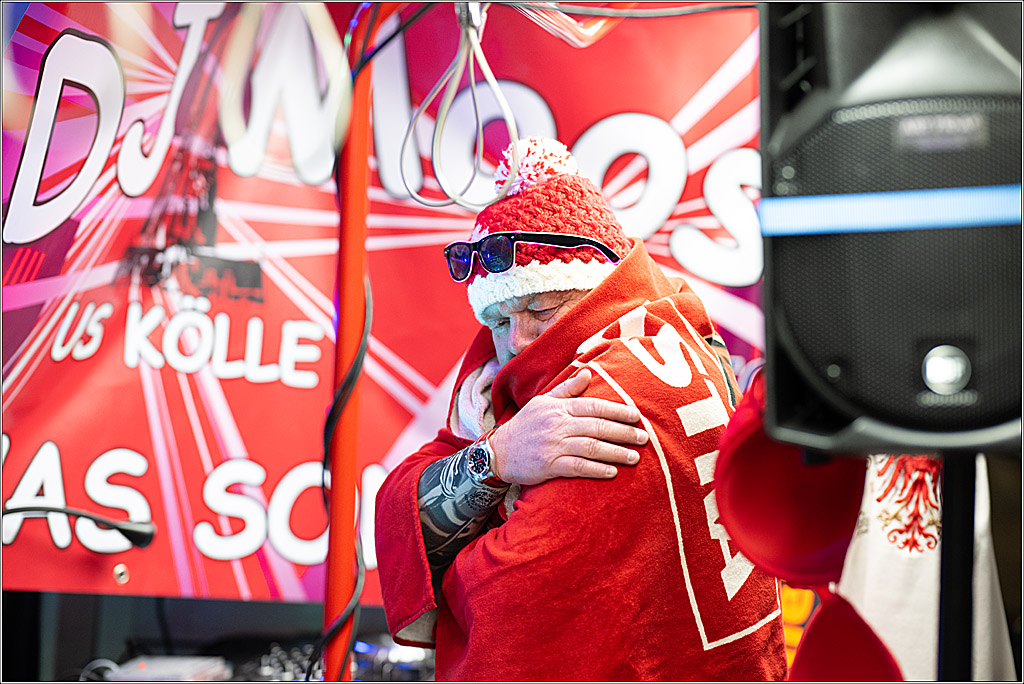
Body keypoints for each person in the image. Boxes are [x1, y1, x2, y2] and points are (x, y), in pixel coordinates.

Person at [374, 137, 787, 680]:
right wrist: (496, 459)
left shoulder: (612, 387)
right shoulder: (673, 331)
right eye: (498, 320)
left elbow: (517, 603)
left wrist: (461, 555)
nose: (517, 343)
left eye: (540, 307)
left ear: (595, 293)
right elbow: (398, 500)